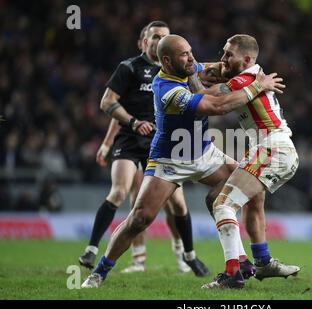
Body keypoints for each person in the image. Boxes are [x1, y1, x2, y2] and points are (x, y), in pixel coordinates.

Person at [80, 34, 285, 288]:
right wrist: (257, 85)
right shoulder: (167, 90)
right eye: (184, 55)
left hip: (205, 154)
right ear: (167, 61)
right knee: (140, 219)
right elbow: (217, 107)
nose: (191, 58)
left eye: (190, 51)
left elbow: (221, 68)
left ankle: (254, 260)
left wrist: (245, 68)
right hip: (170, 161)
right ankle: (99, 271)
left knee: (253, 189)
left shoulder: (189, 67)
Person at [78, 22, 207, 277]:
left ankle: (186, 254)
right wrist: (113, 138)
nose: (160, 41)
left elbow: (201, 82)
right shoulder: (129, 68)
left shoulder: (176, 69)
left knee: (177, 206)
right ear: (143, 42)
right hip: (130, 139)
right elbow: (110, 104)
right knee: (123, 193)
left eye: (165, 38)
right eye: (155, 37)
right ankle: (93, 249)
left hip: (162, 143)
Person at [193, 35, 300, 289]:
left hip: (274, 149)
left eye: (229, 54)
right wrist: (194, 66)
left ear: (248, 59)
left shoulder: (246, 80)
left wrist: (187, 77)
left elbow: (207, 100)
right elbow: (212, 69)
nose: (223, 58)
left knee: (222, 205)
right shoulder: (251, 75)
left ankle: (233, 276)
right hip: (269, 148)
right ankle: (261, 262)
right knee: (223, 199)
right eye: (223, 52)